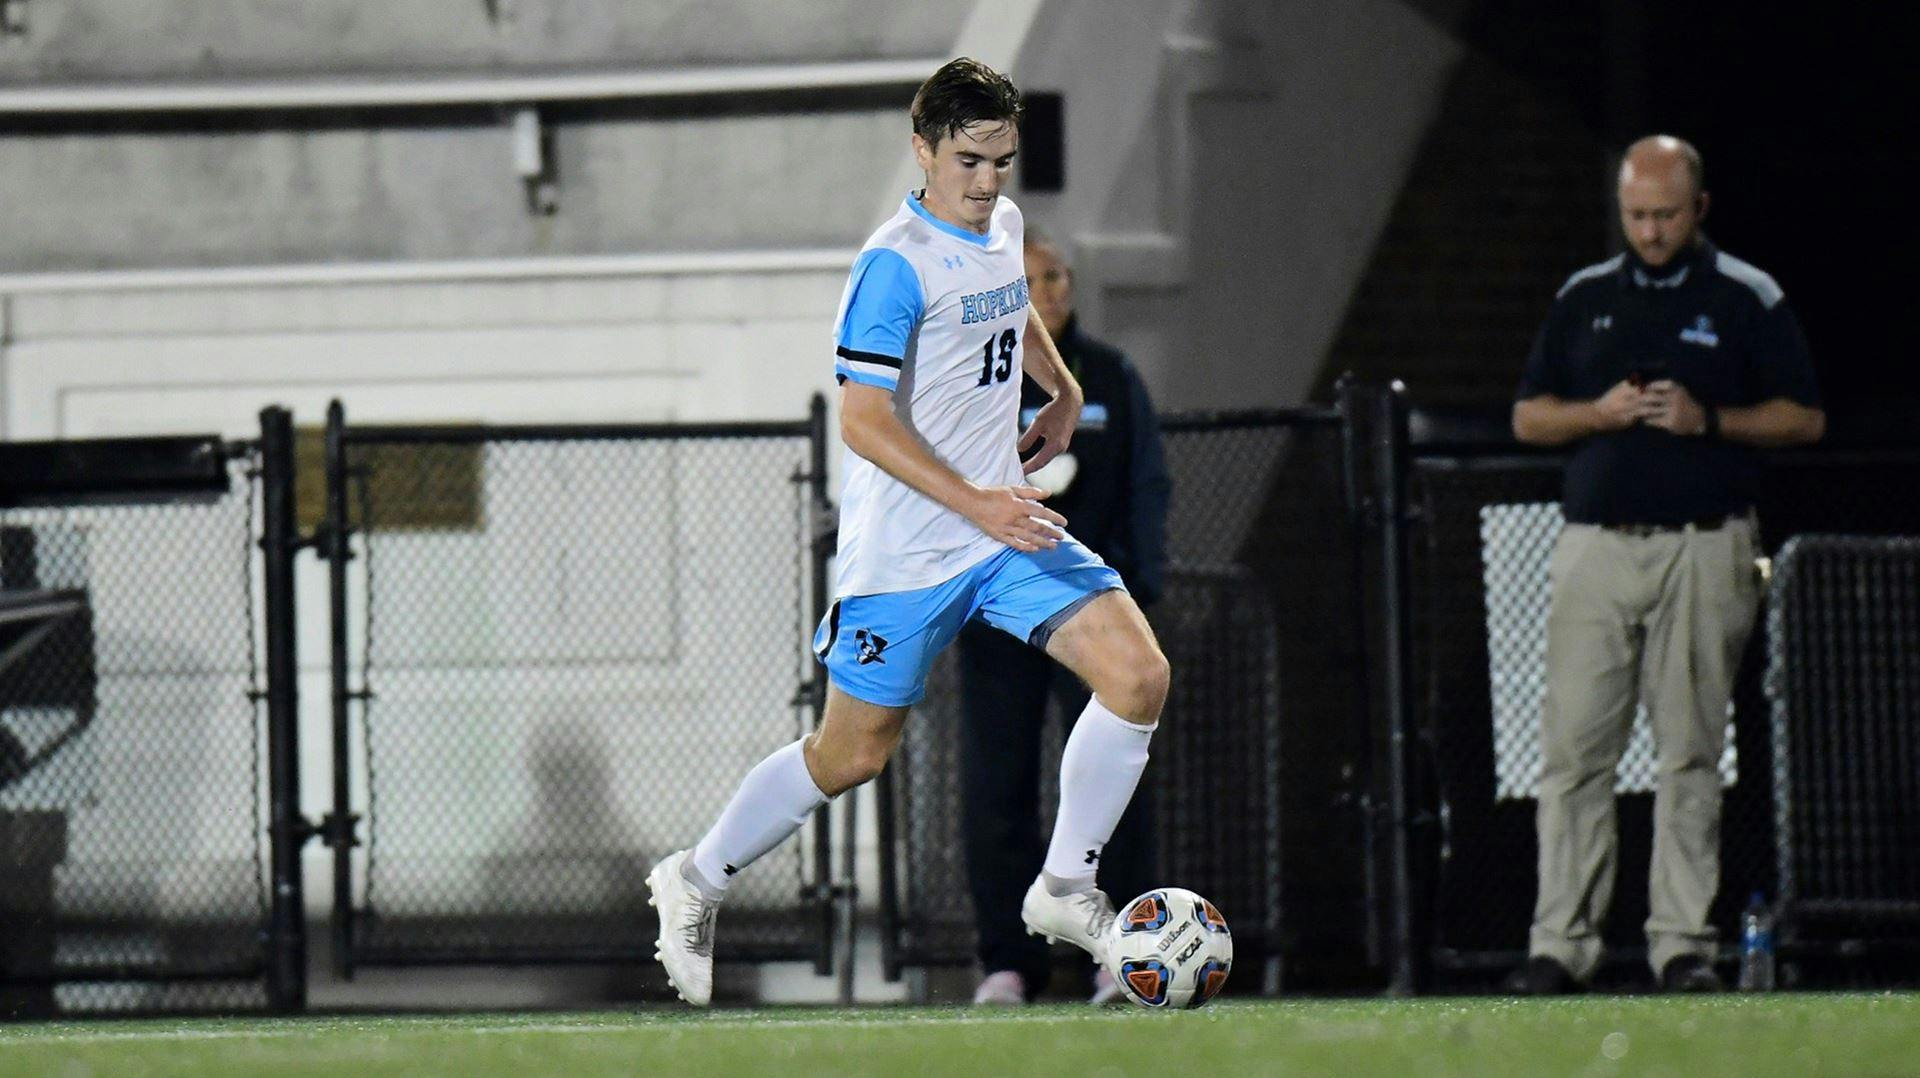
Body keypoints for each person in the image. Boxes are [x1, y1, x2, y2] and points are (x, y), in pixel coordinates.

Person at [645, 57, 1171, 1007]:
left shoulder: (1000, 224)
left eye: (1001, 162)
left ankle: (1063, 891)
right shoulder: (893, 264)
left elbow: (1008, 302)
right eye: (968, 162)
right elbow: (862, 420)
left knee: (1139, 677)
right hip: (908, 553)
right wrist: (977, 503)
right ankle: (698, 875)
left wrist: (1064, 388)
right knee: (852, 754)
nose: (986, 183)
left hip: (998, 532)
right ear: (922, 150)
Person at [1506, 135, 1824, 994]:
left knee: (1690, 753)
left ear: (1700, 209)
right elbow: (1529, 418)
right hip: (1595, 549)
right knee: (1573, 754)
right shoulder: (1585, 297)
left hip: (1703, 543)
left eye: (1666, 215)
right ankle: (1557, 948)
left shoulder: (1747, 296)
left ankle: (1683, 945)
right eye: (1637, 215)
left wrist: (1707, 421)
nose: (1649, 231)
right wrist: (1600, 411)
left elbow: (1804, 418)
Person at [960, 229, 1171, 1006]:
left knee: (1115, 784)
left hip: (1093, 611)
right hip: (1000, 613)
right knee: (998, 784)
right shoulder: (973, 376)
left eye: (1057, 276)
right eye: (1032, 280)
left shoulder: (1110, 373)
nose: (1049, 291)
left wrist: (1140, 583)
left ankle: (1119, 955)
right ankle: (1008, 963)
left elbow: (1148, 480)